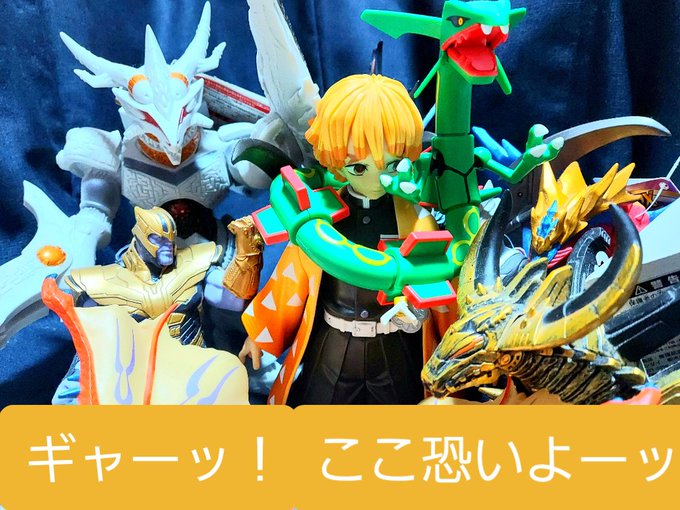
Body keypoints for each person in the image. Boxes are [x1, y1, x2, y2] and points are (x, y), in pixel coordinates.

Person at [239, 74, 455, 405]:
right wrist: (260, 333)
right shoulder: (318, 220)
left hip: (397, 348)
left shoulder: (417, 221)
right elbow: (291, 279)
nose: (377, 178)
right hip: (333, 347)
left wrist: (441, 327)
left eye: (393, 164)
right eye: (359, 168)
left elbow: (439, 291)